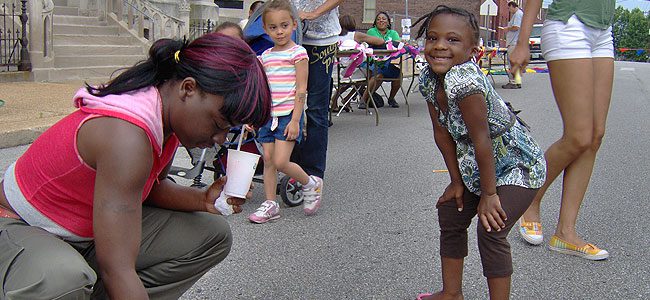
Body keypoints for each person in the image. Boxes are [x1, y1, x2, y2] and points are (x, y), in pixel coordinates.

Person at [0, 33, 271, 299]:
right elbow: (117, 267)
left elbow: (145, 190)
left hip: (84, 231)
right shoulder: (127, 137)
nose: (219, 139)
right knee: (64, 280)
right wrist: (120, 278)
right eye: (218, 124)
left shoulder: (166, 119)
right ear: (188, 89)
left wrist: (203, 200)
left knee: (213, 235)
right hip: (21, 227)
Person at [414, 5, 546, 300]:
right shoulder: (428, 78)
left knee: (491, 228)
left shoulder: (466, 84)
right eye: (432, 38)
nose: (439, 47)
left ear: (473, 49)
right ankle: (452, 293)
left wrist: (489, 195)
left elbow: (483, 139)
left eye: (452, 40)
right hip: (479, 164)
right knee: (451, 212)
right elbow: (441, 133)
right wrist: (456, 181)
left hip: (517, 164)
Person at [509, 0, 614, 260]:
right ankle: (530, 199)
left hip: (603, 30)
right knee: (578, 136)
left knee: (595, 135)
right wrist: (522, 41)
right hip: (570, 24)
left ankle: (566, 233)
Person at [248, 0, 323, 223]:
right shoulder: (265, 57)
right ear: (265, 29)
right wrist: (255, 115)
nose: (279, 31)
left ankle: (311, 183)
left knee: (281, 161)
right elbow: (262, 89)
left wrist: (296, 120)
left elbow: (302, 89)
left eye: (284, 25)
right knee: (269, 160)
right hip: (267, 116)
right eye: (273, 27)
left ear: (293, 25)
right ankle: (270, 204)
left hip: (288, 115)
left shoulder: (298, 53)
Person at [290, 0, 344, 205]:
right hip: (291, 35)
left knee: (315, 109)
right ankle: (292, 165)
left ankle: (313, 174)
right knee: (289, 104)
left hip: (322, 40)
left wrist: (314, 14)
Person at [330, 14, 385, 112]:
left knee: (350, 79)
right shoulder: (356, 35)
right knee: (370, 74)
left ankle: (339, 100)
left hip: (335, 71)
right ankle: (347, 98)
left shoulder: (334, 37)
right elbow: (380, 41)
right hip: (350, 71)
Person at [360, 11, 402, 109]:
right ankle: (364, 99)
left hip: (385, 63)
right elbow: (379, 44)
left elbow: (398, 45)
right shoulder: (371, 31)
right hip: (371, 62)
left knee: (399, 74)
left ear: (388, 22)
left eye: (384, 19)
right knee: (378, 74)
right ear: (375, 22)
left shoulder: (393, 33)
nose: (381, 21)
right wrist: (389, 44)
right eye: (378, 19)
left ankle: (391, 98)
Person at [499, 1, 524, 89]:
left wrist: (507, 28)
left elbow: (516, 27)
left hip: (514, 43)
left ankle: (513, 82)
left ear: (513, 6)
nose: (509, 10)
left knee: (512, 63)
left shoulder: (517, 14)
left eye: (509, 8)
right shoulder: (519, 14)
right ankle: (517, 81)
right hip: (516, 42)